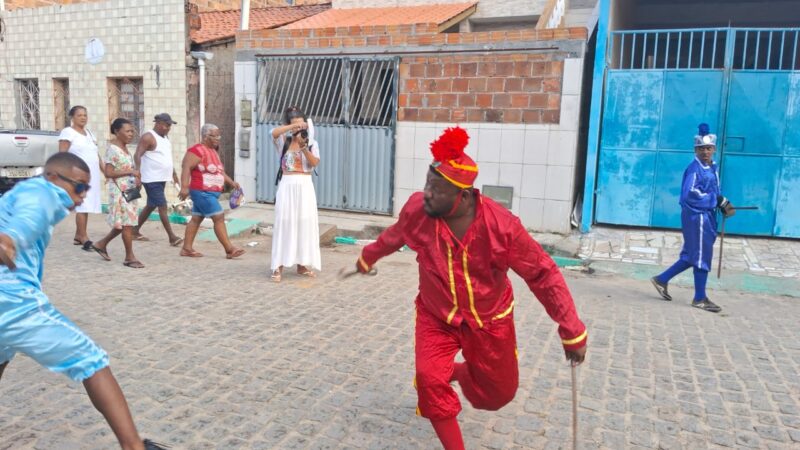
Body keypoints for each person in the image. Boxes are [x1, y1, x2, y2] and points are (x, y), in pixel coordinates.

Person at [351, 127, 588, 450]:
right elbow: (395, 236)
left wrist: (571, 330)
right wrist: (367, 257)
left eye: (436, 189)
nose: (427, 194)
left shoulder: (502, 227)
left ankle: (458, 373)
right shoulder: (417, 212)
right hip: (436, 317)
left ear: (462, 196)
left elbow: (543, 274)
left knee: (496, 396)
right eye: (426, 184)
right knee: (429, 379)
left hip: (490, 321)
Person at [0, 153, 166, 450]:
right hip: (12, 302)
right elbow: (30, 216)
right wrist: (10, 238)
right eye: (79, 187)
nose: (83, 196)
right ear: (53, 177)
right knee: (92, 361)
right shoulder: (43, 192)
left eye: (87, 189)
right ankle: (134, 447)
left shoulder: (22, 191)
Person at [651, 124, 735, 313]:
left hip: (706, 215)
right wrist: (715, 200)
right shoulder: (694, 169)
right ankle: (699, 298)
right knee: (701, 255)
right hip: (696, 217)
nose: (705, 152)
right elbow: (689, 194)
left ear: (714, 149)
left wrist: (721, 203)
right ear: (695, 150)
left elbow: (715, 192)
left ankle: (661, 279)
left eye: (708, 148)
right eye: (701, 149)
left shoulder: (712, 168)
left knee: (691, 254)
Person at [269, 106, 321, 282]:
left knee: (304, 224)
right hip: (287, 185)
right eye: (294, 125)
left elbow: (314, 164)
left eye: (301, 124)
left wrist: (304, 147)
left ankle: (303, 264)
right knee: (284, 222)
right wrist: (291, 129)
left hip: (305, 186)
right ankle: (278, 265)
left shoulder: (312, 143)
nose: (299, 128)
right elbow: (273, 132)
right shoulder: (283, 140)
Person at [178, 124, 245, 259]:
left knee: (196, 219)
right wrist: (184, 187)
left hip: (209, 192)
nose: (218, 139)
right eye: (215, 136)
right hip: (202, 192)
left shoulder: (213, 151)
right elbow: (186, 167)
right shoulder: (196, 151)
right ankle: (229, 249)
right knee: (218, 216)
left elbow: (219, 172)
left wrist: (231, 183)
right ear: (206, 136)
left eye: (218, 136)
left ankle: (186, 248)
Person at [91, 118, 145, 268]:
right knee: (127, 224)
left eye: (132, 131)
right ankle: (129, 257)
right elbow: (109, 172)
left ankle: (101, 244)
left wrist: (135, 178)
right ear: (116, 132)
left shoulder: (126, 149)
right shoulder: (113, 149)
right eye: (127, 131)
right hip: (120, 192)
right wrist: (131, 171)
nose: (131, 134)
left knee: (122, 224)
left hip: (129, 190)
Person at [133, 113, 183, 247]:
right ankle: (172, 237)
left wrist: (174, 173)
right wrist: (137, 172)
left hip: (161, 178)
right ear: (158, 123)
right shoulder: (148, 137)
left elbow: (166, 158)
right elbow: (137, 154)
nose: (168, 128)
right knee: (162, 205)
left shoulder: (165, 138)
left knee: (151, 205)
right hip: (151, 178)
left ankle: (134, 230)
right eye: (167, 125)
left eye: (170, 126)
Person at [58, 105, 102, 250]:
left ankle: (78, 235)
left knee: (87, 205)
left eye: (85, 115)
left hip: (92, 175)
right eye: (79, 115)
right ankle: (84, 237)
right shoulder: (68, 132)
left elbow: (96, 154)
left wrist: (105, 171)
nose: (83, 117)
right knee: (82, 205)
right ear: (72, 117)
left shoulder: (88, 133)